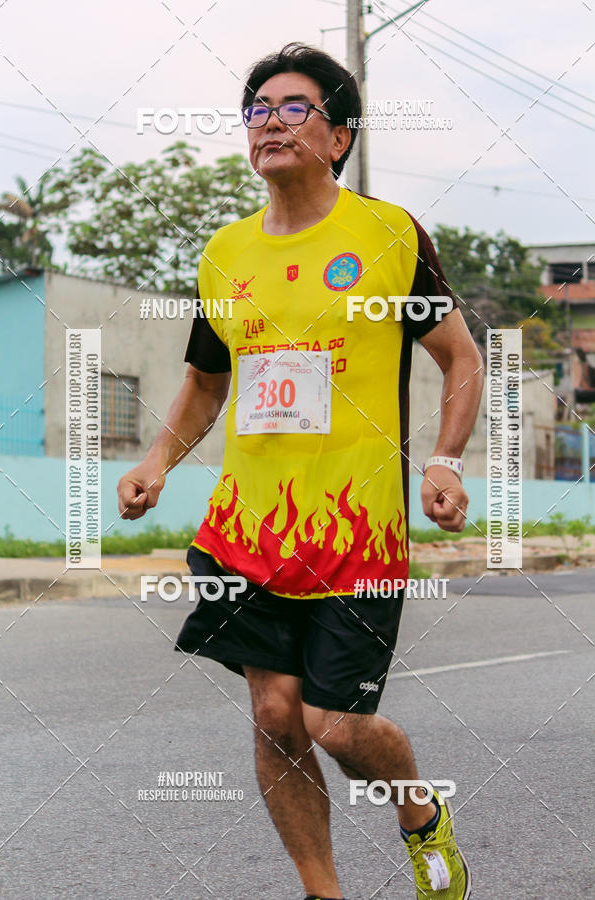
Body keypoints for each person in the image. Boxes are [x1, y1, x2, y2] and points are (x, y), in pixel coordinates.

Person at [118, 43, 483, 900]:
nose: (270, 123)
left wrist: (444, 461)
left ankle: (420, 812)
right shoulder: (225, 254)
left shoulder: (389, 236)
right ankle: (324, 892)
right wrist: (158, 459)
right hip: (247, 531)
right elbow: (208, 382)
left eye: (294, 109)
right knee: (274, 714)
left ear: (339, 137)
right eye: (258, 111)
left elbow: (461, 358)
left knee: (338, 725)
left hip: (356, 535)